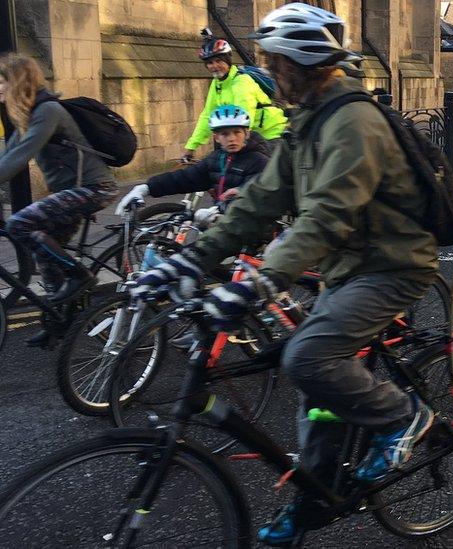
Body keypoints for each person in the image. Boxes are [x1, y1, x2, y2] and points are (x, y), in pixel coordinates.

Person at [129, 4, 437, 544]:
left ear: (301, 61)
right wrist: (190, 259)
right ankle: (313, 496)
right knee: (315, 392)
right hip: (348, 267)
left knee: (307, 356)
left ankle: (402, 416)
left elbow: (325, 216)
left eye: (275, 61)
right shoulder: (309, 121)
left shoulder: (353, 123)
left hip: (391, 267)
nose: (269, 72)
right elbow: (258, 201)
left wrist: (261, 281)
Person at [0, 54, 118, 342]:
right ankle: (59, 322)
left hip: (94, 188)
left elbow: (18, 158)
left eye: (2, 82)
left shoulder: (48, 111)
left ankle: (80, 275)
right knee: (45, 255)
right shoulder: (30, 114)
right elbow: (6, 159)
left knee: (20, 224)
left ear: (18, 82)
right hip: (70, 192)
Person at [115, 105, 270, 222]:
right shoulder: (217, 159)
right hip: (224, 225)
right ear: (216, 137)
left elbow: (253, 192)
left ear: (246, 134)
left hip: (252, 227)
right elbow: (186, 178)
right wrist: (146, 188)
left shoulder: (259, 161)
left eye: (237, 132)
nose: (231, 138)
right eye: (225, 134)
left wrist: (219, 209)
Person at [182, 32, 287, 163]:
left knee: (263, 177)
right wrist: (191, 147)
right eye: (209, 63)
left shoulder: (242, 82)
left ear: (228, 60)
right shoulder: (217, 84)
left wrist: (235, 142)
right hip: (247, 137)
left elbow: (244, 115)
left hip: (271, 136)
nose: (214, 66)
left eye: (219, 60)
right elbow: (208, 116)